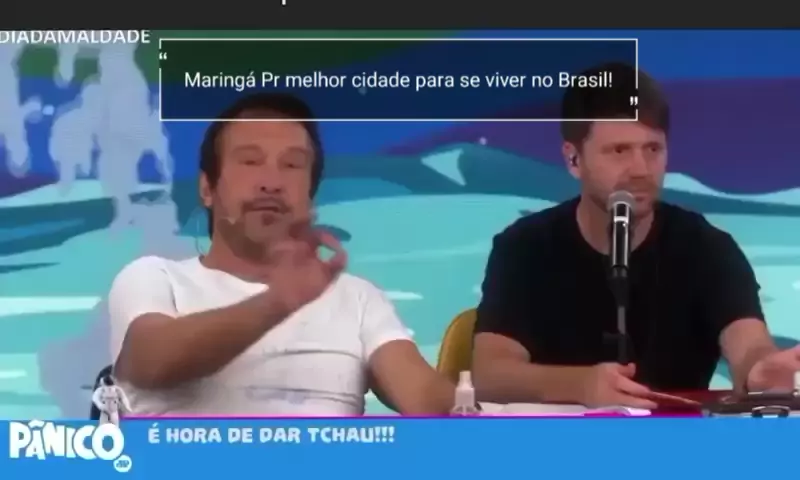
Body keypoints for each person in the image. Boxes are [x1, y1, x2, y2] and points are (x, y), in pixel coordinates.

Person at [471, 63, 800, 409]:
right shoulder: (525, 247)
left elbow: (748, 345)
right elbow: (490, 374)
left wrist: (760, 373)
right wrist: (580, 385)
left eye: (653, 149)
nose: (641, 170)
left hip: (676, 438)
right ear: (573, 159)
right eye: (619, 150)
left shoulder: (707, 248)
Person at [107, 93, 455, 416]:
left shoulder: (358, 298)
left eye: (291, 165)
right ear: (207, 188)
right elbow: (150, 362)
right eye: (250, 161)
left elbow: (427, 402)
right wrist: (277, 302)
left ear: (310, 194)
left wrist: (478, 399)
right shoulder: (154, 277)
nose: (271, 182)